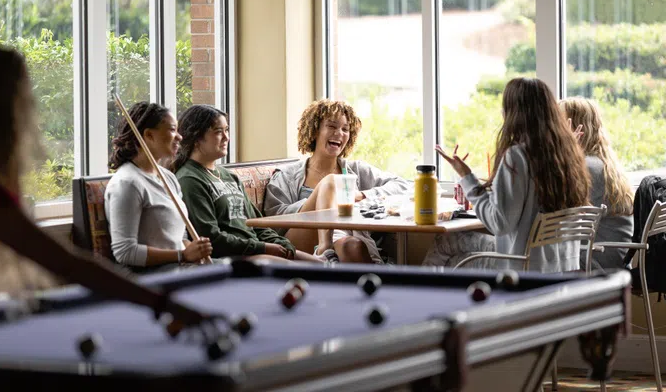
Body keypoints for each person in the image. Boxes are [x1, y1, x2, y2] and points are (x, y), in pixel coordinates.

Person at [0, 44, 210, 328]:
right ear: (5, 108)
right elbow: (66, 263)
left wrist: (160, 301)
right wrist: (161, 302)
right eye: (24, 98)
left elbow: (65, 262)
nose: (30, 107)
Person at [435, 77, 592, 273]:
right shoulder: (569, 155)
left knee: (445, 255)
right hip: (561, 268)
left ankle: (416, 301)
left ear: (513, 113)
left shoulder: (517, 156)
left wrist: (467, 179)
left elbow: (499, 224)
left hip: (522, 269)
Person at [263, 99, 412, 264]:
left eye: (345, 129)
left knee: (352, 246)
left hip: (344, 239)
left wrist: (361, 195)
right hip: (300, 242)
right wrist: (319, 200)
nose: (339, 133)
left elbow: (405, 185)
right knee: (333, 183)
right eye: (332, 126)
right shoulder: (287, 175)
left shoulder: (357, 171)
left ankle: (371, 286)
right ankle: (324, 250)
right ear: (314, 130)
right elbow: (273, 222)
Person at [171, 104, 325, 264]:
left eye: (227, 130)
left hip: (256, 250)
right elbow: (211, 239)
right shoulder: (189, 180)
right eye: (218, 132)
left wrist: (282, 244)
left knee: (324, 268)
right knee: (302, 272)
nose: (226, 137)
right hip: (233, 259)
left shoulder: (228, 176)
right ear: (196, 138)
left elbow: (257, 224)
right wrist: (262, 248)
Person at [105, 101, 212, 273]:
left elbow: (178, 238)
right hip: (152, 279)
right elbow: (125, 252)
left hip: (181, 269)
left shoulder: (168, 177)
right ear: (148, 135)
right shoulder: (127, 183)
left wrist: (194, 250)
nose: (179, 137)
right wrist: (182, 255)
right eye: (172, 130)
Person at [559, 97, 634, 271]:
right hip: (613, 260)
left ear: (575, 129)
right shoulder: (604, 163)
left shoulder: (588, 167)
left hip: (597, 264)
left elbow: (557, 213)